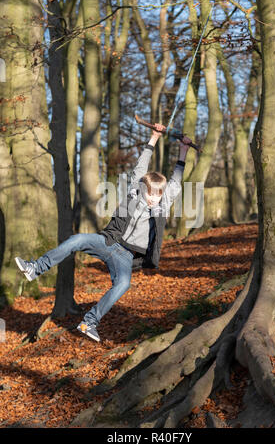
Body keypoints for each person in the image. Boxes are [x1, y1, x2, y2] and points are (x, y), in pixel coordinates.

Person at [15, 123, 192, 342]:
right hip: (108, 241)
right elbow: (141, 165)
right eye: (150, 193)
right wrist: (154, 137)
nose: (153, 197)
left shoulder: (161, 207)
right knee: (77, 239)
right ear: (143, 188)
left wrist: (183, 151)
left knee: (123, 284)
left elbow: (175, 182)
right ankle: (36, 268)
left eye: (157, 194)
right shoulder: (135, 193)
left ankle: (89, 322)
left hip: (126, 256)